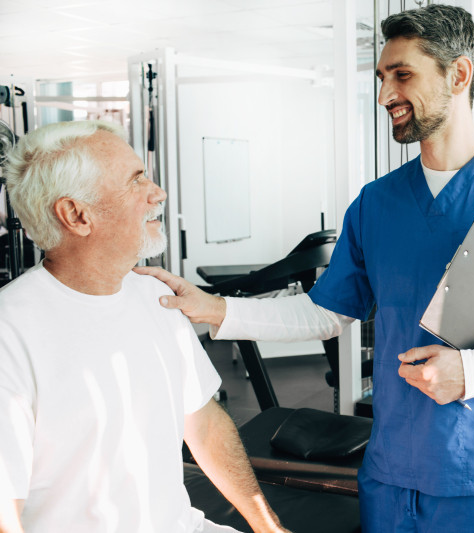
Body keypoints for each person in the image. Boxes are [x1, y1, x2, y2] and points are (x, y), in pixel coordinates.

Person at [138, 5, 474, 532]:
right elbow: (326, 313)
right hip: (390, 473)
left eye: (402, 75)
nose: (385, 96)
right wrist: (215, 309)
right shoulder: (375, 203)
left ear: (459, 75)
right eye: (382, 79)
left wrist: (472, 371)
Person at [0, 121, 288, 533]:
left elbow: (204, 422)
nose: (158, 194)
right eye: (136, 181)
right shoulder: (10, 332)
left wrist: (266, 526)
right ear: (77, 215)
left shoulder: (155, 297)